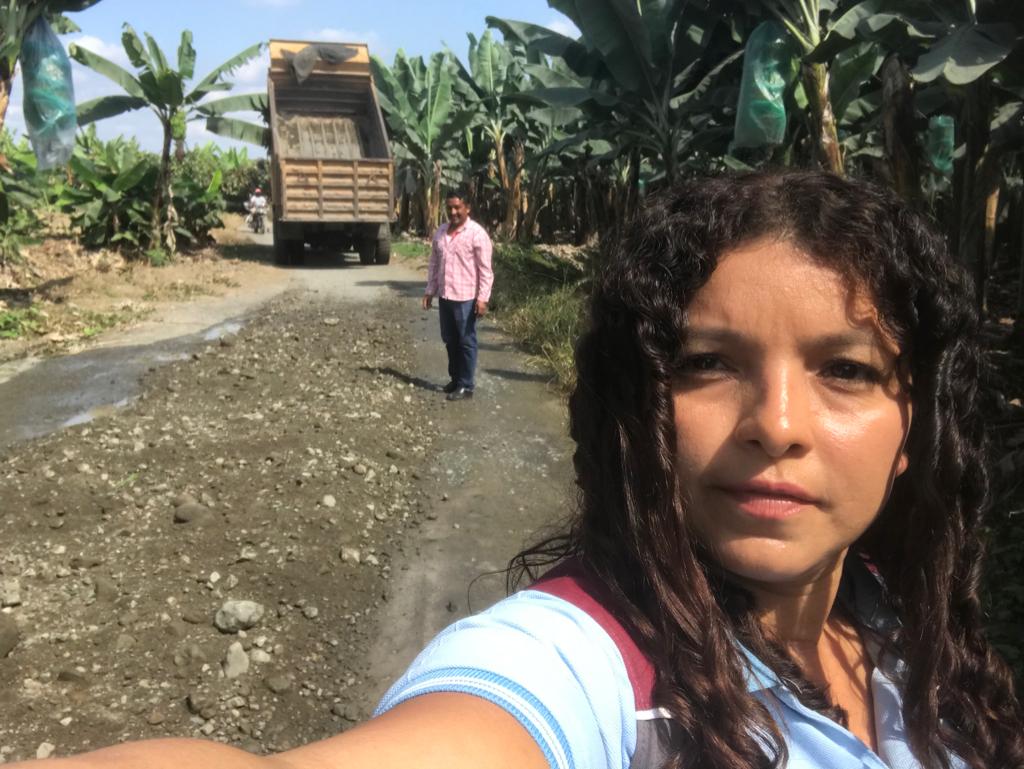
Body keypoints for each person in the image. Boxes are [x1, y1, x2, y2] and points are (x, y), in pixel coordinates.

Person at [17, 171, 1024, 769]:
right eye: (707, 364)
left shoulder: (911, 636)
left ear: (912, 430)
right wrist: (437, 295)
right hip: (450, 304)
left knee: (465, 348)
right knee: (456, 347)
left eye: (846, 370)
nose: (778, 424)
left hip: (473, 301)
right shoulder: (588, 671)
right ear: (639, 406)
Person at [422, 189, 494, 401]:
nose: (453, 212)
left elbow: (485, 270)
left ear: (467, 208)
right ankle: (455, 379)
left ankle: (466, 386)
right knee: (450, 340)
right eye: (449, 207)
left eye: (457, 207)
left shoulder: (477, 234)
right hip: (446, 296)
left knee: (466, 341)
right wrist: (430, 291)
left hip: (466, 299)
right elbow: (434, 264)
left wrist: (482, 298)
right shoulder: (441, 232)